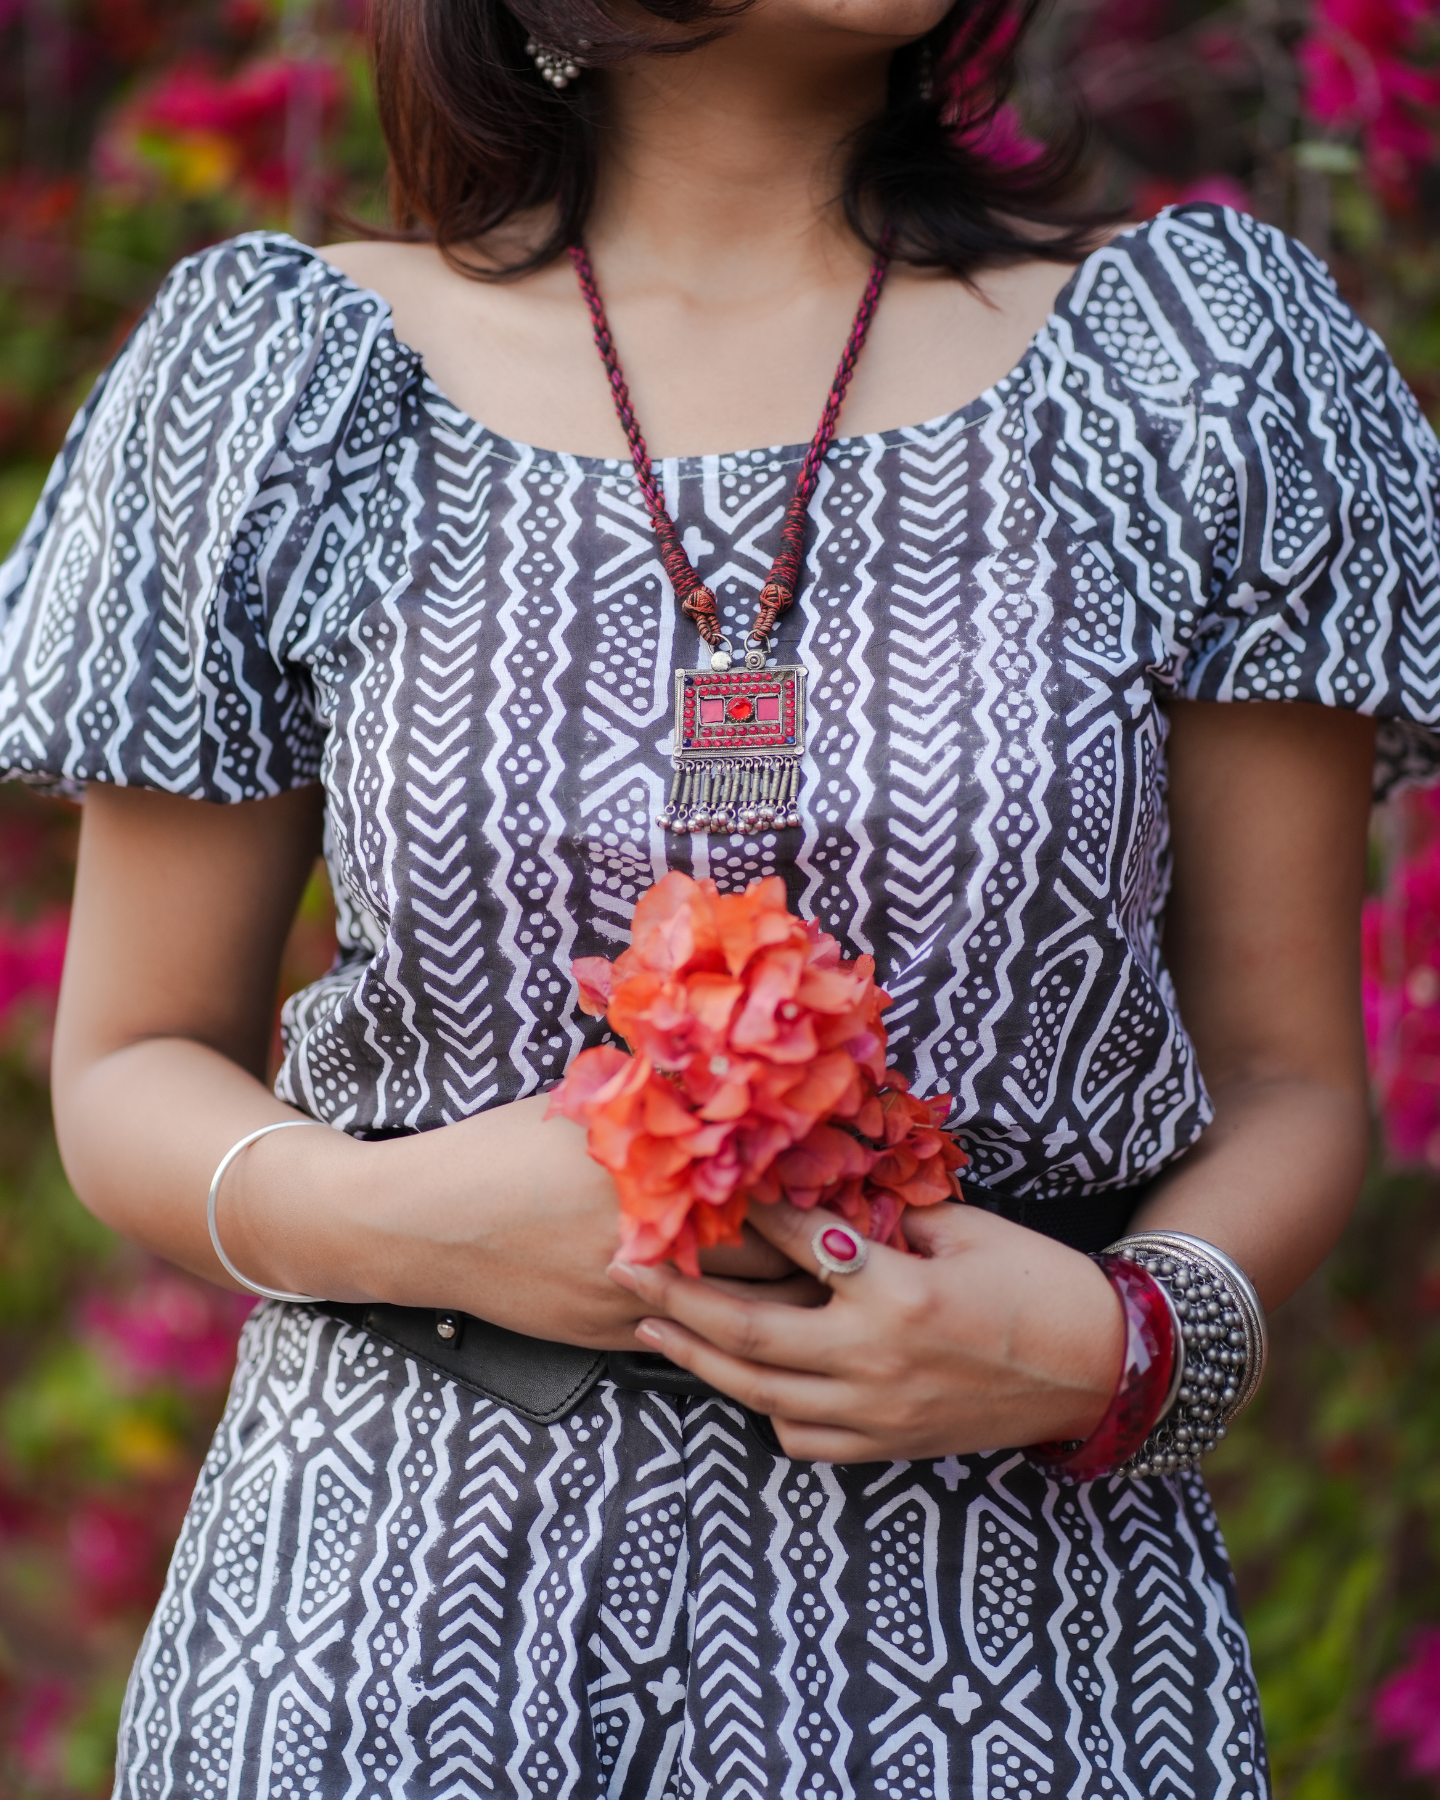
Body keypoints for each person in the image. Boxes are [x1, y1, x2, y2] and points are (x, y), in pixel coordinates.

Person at [2, 0, 1435, 1786]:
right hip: (390, 1651)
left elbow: (1291, 1078)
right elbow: (128, 1065)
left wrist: (1125, 1339)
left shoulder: (1198, 369)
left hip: (1013, 1651)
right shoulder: (284, 380)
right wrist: (403, 1226)